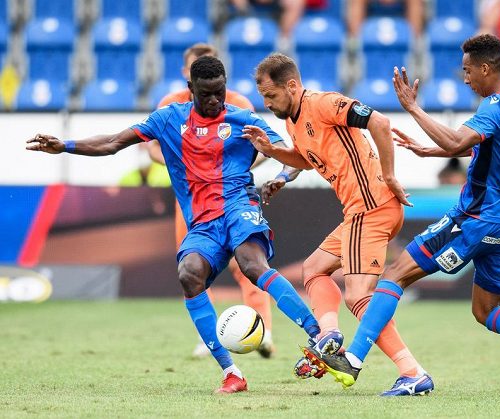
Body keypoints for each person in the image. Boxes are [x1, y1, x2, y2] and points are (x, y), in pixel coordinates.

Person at [26, 56, 322, 394]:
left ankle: (319, 335)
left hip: (239, 205)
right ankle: (232, 373)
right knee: (189, 274)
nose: (215, 101)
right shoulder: (168, 119)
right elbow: (113, 143)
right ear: (190, 90)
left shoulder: (243, 119)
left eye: (220, 93)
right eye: (207, 94)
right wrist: (65, 146)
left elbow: (294, 155)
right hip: (203, 222)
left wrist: (282, 175)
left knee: (252, 264)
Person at [301, 34, 500, 396]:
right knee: (485, 309)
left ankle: (355, 361)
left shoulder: (494, 106)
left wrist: (413, 108)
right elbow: (490, 149)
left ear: (486, 68)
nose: (465, 78)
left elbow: (459, 141)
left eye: (468, 70)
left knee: (395, 274)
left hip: (477, 218)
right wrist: (431, 152)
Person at [242, 53, 432, 396]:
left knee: (358, 296)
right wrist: (272, 154)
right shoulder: (292, 122)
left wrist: (389, 175)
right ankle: (328, 334)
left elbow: (380, 123)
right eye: (263, 98)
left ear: (292, 85)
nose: (267, 104)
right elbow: (305, 160)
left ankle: (412, 372)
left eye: (271, 96)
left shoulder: (325, 103)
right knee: (313, 269)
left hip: (372, 207)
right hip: (358, 213)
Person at [149, 42, 280, 359]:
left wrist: (233, 170)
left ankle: (262, 330)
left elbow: (263, 147)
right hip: (192, 203)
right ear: (186, 75)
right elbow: (152, 148)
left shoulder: (236, 103)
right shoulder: (170, 106)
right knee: (192, 268)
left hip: (233, 197)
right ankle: (208, 337)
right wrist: (184, 165)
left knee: (245, 263)